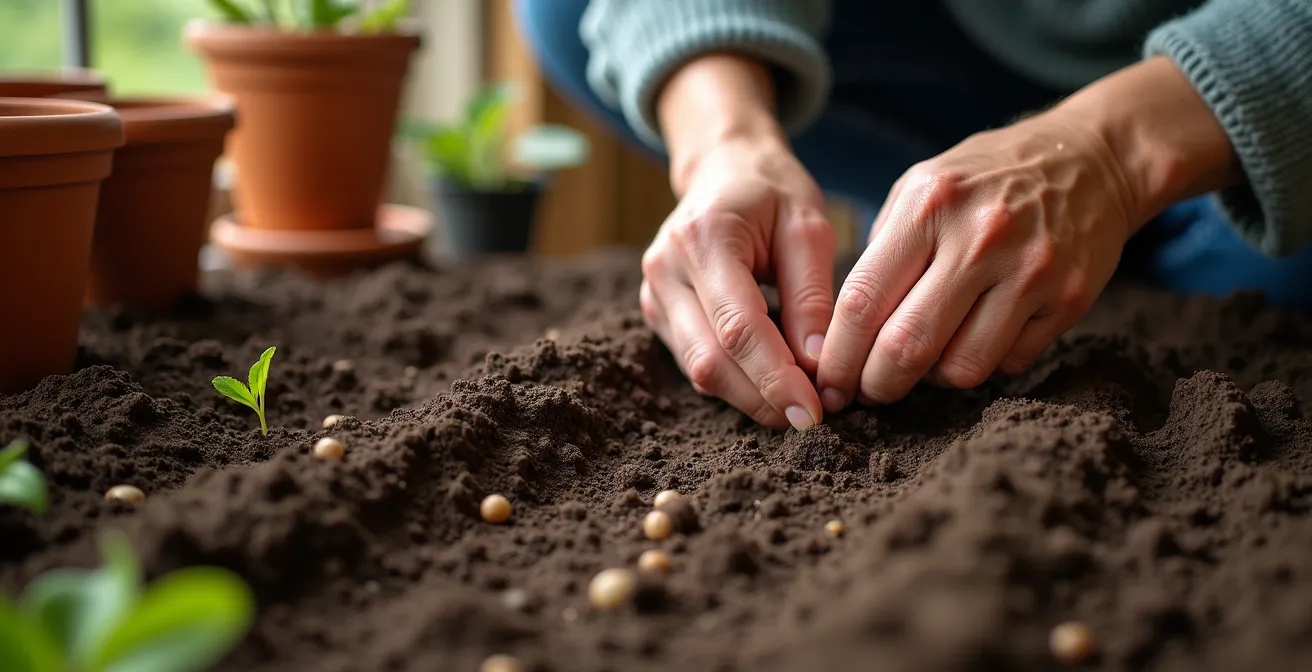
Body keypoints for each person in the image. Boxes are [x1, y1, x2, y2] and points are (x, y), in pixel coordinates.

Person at [515, 0, 1312, 431]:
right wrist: (725, 140)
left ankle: (1132, 231)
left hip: (1235, 96)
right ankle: (976, 246)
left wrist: (1106, 152)